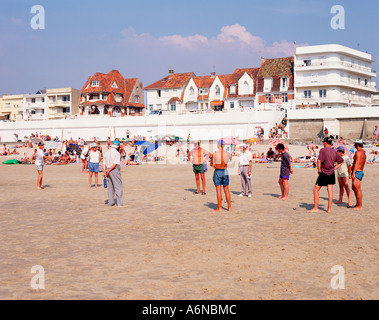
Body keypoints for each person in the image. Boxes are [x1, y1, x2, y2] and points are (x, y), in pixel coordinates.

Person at [307, 137, 344, 214]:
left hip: (324, 172)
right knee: (330, 191)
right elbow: (341, 161)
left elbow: (319, 160)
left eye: (324, 142)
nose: (323, 143)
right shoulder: (334, 152)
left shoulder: (323, 150)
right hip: (331, 173)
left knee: (315, 190)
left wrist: (319, 170)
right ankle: (329, 209)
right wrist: (335, 168)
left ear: (326, 142)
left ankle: (316, 208)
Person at [210, 140, 232, 212]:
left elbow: (212, 165)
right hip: (225, 170)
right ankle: (229, 207)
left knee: (219, 190)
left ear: (218, 145)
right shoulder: (228, 154)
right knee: (226, 190)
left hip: (218, 171)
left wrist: (214, 163)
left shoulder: (215, 154)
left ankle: (220, 208)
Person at [103, 140, 124, 207]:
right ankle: (119, 203)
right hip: (114, 170)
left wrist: (105, 171)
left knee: (110, 187)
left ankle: (111, 202)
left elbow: (104, 164)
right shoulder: (116, 153)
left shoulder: (106, 153)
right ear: (117, 146)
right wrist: (108, 170)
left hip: (108, 170)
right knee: (118, 187)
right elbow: (115, 164)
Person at [351, 139, 366, 210]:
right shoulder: (363, 152)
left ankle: (360, 206)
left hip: (357, 171)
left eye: (355, 144)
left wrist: (353, 173)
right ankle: (357, 203)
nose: (354, 145)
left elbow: (357, 163)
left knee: (357, 188)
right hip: (359, 171)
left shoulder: (358, 152)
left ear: (357, 145)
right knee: (354, 188)